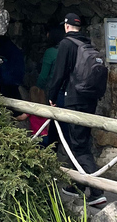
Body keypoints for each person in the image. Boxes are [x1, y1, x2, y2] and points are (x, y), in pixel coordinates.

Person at [47, 12, 107, 207]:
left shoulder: (66, 44)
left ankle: (96, 191)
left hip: (74, 99)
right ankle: (77, 185)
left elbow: (59, 73)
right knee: (80, 141)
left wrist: (52, 95)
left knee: (79, 146)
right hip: (89, 100)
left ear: (66, 26)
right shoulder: (87, 44)